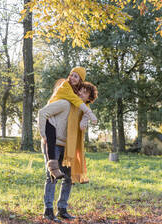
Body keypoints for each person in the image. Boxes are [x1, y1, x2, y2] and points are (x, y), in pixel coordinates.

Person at [38, 82, 98, 222]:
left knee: (68, 178)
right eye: (80, 90)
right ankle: (48, 211)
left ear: (89, 99)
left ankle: (62, 209)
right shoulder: (66, 103)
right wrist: (43, 135)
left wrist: (85, 122)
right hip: (53, 144)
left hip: (67, 148)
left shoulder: (83, 110)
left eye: (84, 93)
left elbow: (81, 127)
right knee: (51, 177)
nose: (80, 93)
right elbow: (43, 112)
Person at [41, 67, 98, 179]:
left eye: (76, 76)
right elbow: (76, 100)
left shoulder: (77, 98)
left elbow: (81, 121)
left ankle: (59, 177)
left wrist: (86, 117)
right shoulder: (66, 87)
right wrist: (90, 114)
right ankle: (53, 171)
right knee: (51, 176)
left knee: (66, 177)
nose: (71, 77)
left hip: (65, 142)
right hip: (50, 119)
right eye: (71, 74)